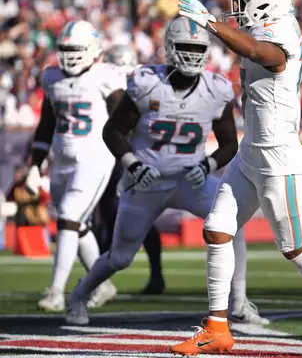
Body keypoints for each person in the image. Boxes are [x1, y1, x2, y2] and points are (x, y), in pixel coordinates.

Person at [172, 0, 302, 356]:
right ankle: (217, 327)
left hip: (279, 157)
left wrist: (207, 21)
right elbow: (245, 36)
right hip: (251, 151)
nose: (237, 11)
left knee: (294, 247)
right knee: (217, 229)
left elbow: (263, 54)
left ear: (265, 0)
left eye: (242, 2)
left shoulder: (282, 32)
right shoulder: (264, 22)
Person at [65, 17, 241, 326]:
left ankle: (238, 302)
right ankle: (79, 294)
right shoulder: (147, 83)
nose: (191, 54)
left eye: (197, 48)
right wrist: (132, 163)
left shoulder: (216, 89)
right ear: (170, 49)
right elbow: (112, 132)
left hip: (192, 180)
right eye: (185, 47)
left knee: (232, 221)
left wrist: (209, 164)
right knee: (120, 258)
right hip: (146, 182)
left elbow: (229, 144)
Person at [26, 20, 121, 312]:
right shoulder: (51, 77)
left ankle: (56, 291)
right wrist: (35, 165)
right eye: (65, 48)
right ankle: (102, 283)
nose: (70, 54)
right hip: (63, 158)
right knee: (75, 225)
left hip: (96, 156)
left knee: (68, 216)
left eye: (76, 49)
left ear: (93, 50)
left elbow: (123, 119)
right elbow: (46, 124)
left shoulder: (106, 76)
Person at [98, 44, 166, 295]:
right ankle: (104, 278)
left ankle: (152, 276)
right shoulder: (138, 81)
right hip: (125, 152)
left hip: (132, 153)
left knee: (128, 215)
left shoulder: (137, 83)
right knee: (114, 215)